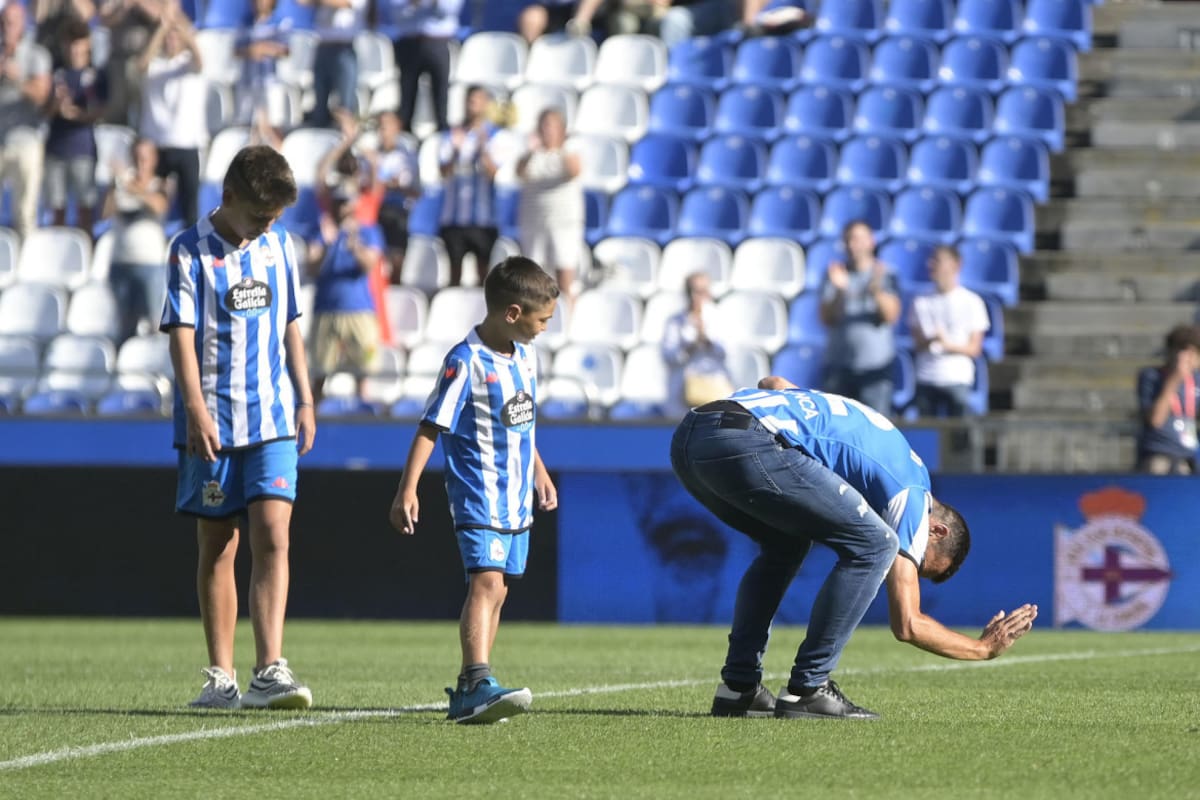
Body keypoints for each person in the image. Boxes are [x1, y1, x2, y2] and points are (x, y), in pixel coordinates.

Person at [670, 376, 1038, 720]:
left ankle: (738, 688)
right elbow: (907, 624)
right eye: (916, 560)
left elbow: (773, 383)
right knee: (877, 544)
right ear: (937, 530)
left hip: (691, 437)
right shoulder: (912, 494)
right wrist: (983, 648)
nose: (905, 566)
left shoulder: (887, 454)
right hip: (746, 442)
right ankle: (808, 689)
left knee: (784, 544)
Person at [160, 144, 317, 710]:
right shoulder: (189, 250)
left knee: (274, 534)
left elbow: (290, 324)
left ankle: (269, 668)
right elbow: (180, 335)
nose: (265, 226)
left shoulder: (280, 246)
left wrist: (304, 397)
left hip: (272, 416)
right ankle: (220, 676)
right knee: (220, 543)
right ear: (228, 197)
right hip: (215, 423)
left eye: (273, 217)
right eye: (258, 216)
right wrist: (196, 409)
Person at [388, 256, 559, 724]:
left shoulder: (525, 355)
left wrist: (539, 470)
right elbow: (431, 426)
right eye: (542, 319)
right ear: (513, 314)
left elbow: (521, 423)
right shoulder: (465, 362)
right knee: (485, 583)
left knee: (499, 590)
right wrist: (408, 489)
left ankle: (471, 687)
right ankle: (478, 678)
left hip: (516, 495)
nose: (546, 328)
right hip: (479, 491)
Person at [307, 127, 385, 404]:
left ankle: (362, 424)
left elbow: (368, 265)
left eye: (347, 203)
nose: (343, 208)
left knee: (363, 377)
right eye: (339, 203)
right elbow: (311, 268)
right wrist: (327, 245)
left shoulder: (366, 231)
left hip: (359, 309)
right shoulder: (323, 230)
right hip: (326, 310)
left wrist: (354, 246)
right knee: (317, 377)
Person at [819, 219, 901, 416]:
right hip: (839, 367)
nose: (853, 245)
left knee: (875, 429)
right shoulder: (834, 274)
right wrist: (840, 292)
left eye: (858, 239)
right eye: (849, 240)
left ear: (871, 242)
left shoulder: (886, 275)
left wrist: (876, 291)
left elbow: (890, 316)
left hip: (875, 368)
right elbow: (826, 318)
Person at [138, 0, 206, 227]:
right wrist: (163, 28)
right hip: (159, 145)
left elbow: (199, 58)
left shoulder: (188, 64)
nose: (171, 40)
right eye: (169, 38)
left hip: (187, 144)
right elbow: (142, 63)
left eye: (174, 38)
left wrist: (178, 26)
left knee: (190, 207)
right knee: (156, 204)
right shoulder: (156, 65)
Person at [908, 245, 990, 418]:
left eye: (937, 260)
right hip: (926, 377)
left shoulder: (972, 302)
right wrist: (931, 340)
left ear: (955, 265)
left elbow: (974, 348)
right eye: (931, 260)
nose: (931, 264)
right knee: (926, 436)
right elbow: (916, 344)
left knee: (960, 437)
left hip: (957, 378)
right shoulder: (920, 301)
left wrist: (947, 344)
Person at [43, 18, 107, 233]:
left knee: (85, 209)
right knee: (57, 209)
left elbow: (98, 111)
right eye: (70, 43)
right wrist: (57, 104)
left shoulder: (94, 76)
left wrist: (78, 114)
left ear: (87, 44)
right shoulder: (56, 74)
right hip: (55, 149)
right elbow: (46, 111)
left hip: (82, 149)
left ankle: (86, 255)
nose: (74, 49)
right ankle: (57, 255)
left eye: (78, 43)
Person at [104, 135, 170, 341]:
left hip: (150, 264)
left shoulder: (160, 184)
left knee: (155, 322)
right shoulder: (121, 185)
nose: (140, 163)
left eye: (145, 158)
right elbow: (106, 213)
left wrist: (135, 188)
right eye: (136, 157)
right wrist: (115, 184)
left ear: (153, 160)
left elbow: (160, 206)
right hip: (120, 263)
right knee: (124, 325)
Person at [515, 107, 582, 304]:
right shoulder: (532, 155)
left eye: (551, 126)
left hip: (563, 223)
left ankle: (567, 321)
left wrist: (562, 146)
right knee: (534, 278)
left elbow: (574, 170)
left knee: (564, 276)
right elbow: (520, 171)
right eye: (543, 125)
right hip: (535, 222)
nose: (547, 130)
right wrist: (532, 150)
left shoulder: (569, 152)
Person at [438, 85, 500, 287]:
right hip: (454, 219)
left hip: (483, 219)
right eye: (469, 100)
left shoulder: (494, 135)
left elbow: (493, 173)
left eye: (477, 100)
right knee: (454, 276)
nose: (472, 105)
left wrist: (482, 148)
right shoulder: (453, 134)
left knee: (484, 276)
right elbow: (444, 172)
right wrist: (456, 152)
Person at [0, 1, 52, 240]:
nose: (7, 27)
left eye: (11, 22)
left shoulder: (36, 54)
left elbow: (42, 94)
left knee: (24, 211)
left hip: (25, 141)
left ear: (22, 24)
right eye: (3, 22)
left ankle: (26, 265)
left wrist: (17, 79)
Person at [661, 270, 733, 418]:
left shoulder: (720, 317)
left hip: (713, 390)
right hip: (681, 394)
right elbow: (669, 355)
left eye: (701, 291)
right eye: (691, 291)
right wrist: (690, 347)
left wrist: (705, 338)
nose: (695, 296)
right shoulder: (675, 321)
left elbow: (727, 352)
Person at [386, 0, 461, 134]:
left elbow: (449, 9)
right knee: (406, 100)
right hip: (409, 42)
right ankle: (405, 137)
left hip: (438, 42)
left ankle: (442, 136)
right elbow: (396, 11)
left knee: (441, 97)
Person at [363, 109, 421, 283]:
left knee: (396, 260)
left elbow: (413, 189)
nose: (383, 131)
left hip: (397, 212)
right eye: (380, 127)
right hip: (374, 213)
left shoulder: (407, 157)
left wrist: (386, 184)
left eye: (386, 126)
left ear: (397, 127)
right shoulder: (370, 156)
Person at [1136, 324, 1200, 475]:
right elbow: (1155, 420)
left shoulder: (1196, 380)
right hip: (1159, 454)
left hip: (1189, 456)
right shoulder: (1152, 376)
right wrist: (1174, 380)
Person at [299, 0, 365, 128]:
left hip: (344, 48)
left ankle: (346, 139)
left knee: (346, 101)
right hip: (322, 46)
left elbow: (347, 4)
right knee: (320, 98)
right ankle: (320, 134)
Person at [234, 0, 291, 132]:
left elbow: (286, 50)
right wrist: (252, 50)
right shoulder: (245, 21)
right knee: (245, 126)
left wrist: (264, 49)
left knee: (272, 125)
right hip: (247, 81)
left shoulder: (280, 21)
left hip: (271, 82)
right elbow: (236, 50)